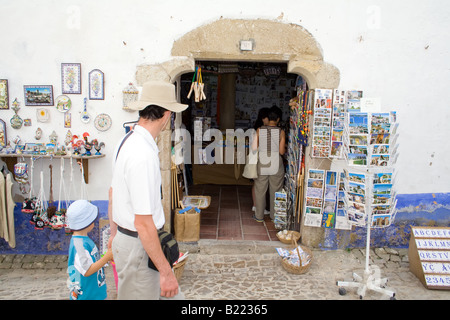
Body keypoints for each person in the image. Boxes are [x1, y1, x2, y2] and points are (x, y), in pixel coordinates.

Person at [109, 80, 188, 300]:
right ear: (166, 115)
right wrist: (166, 272)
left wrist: (114, 234)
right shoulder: (142, 155)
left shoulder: (126, 141)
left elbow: (113, 193)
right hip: (140, 247)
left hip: (137, 242)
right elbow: (143, 223)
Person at [66, 200, 113, 300]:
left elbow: (91, 261)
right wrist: (105, 258)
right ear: (89, 223)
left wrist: (104, 260)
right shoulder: (79, 246)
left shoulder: (83, 239)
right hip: (87, 295)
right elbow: (87, 270)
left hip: (93, 292)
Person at [252, 105, 286, 222]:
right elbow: (282, 151)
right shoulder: (281, 132)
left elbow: (254, 148)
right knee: (276, 190)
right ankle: (274, 216)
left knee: (260, 189)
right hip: (276, 162)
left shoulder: (260, 130)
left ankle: (259, 216)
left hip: (263, 161)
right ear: (277, 120)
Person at [251, 107, 269, 213]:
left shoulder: (257, 128)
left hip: (255, 157)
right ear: (264, 118)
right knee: (259, 184)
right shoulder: (260, 129)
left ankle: (256, 205)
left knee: (257, 183)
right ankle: (258, 206)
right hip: (258, 158)